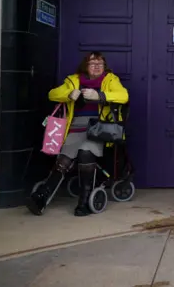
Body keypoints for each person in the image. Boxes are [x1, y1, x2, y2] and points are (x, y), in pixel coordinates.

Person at [27, 51, 129, 217]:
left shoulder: (110, 80)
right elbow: (52, 94)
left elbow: (124, 96)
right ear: (85, 65)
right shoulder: (73, 80)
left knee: (85, 152)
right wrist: (69, 95)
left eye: (100, 64)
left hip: (98, 128)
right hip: (75, 127)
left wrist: (100, 95)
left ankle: (84, 201)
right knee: (64, 158)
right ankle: (42, 197)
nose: (96, 67)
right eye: (92, 63)